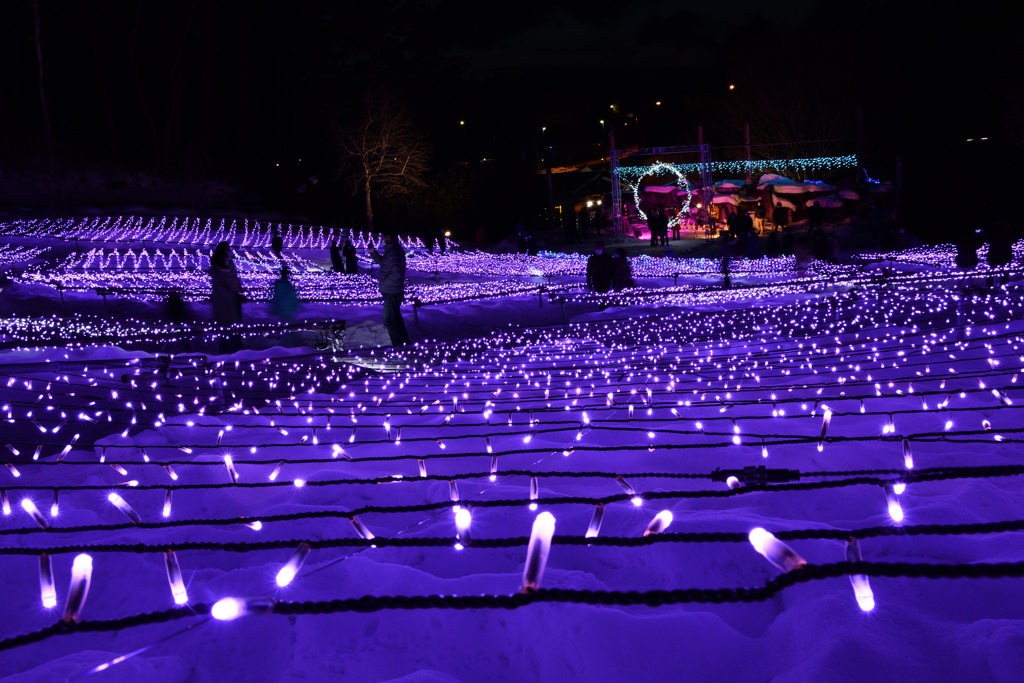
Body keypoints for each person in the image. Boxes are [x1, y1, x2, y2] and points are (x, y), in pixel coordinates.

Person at [369, 231, 409, 346]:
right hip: (392, 290)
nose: (381, 239)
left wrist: (385, 283)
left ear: (389, 237)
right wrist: (373, 252)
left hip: (392, 291)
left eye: (383, 237)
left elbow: (396, 273)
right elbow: (384, 263)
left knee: (389, 321)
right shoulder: (392, 251)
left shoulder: (394, 251)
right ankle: (404, 342)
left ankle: (399, 347)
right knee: (395, 318)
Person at [207, 241, 244, 353]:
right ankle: (230, 349)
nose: (228, 250)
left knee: (234, 324)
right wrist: (234, 295)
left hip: (232, 299)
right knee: (227, 326)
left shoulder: (229, 264)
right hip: (225, 303)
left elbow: (234, 276)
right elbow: (221, 288)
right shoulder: (218, 272)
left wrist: (239, 287)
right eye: (226, 248)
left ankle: (233, 347)